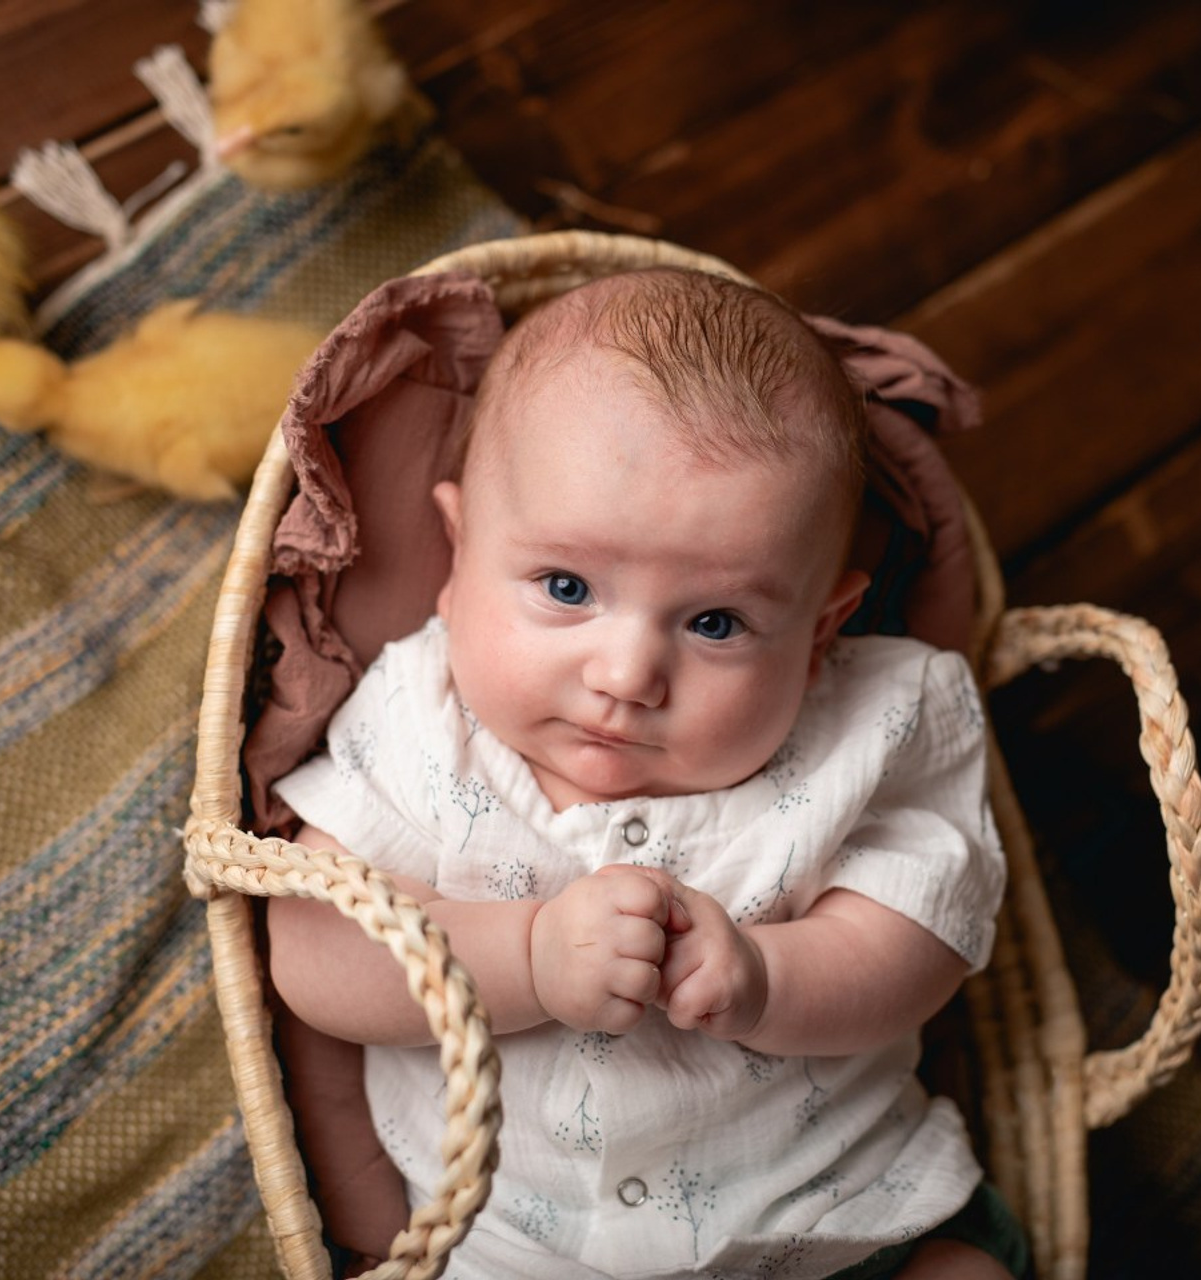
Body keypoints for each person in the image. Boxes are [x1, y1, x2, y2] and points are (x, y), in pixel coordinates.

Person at [267, 268, 1026, 1279]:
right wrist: (526, 955)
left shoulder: (878, 717)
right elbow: (317, 948)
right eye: (565, 587)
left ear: (818, 631)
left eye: (714, 622)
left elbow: (924, 934)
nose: (624, 676)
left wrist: (766, 978)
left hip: (841, 1215)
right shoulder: (418, 712)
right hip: (510, 1249)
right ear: (457, 555)